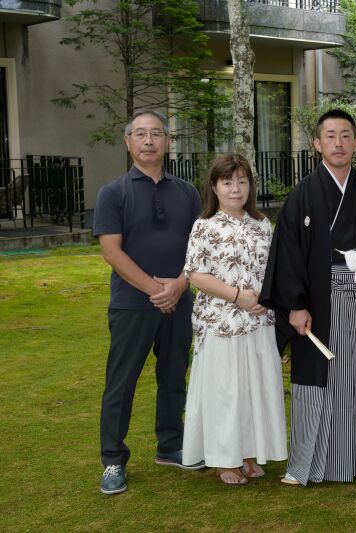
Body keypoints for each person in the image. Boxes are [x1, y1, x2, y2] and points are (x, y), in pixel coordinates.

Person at [260, 109, 356, 485]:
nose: (338, 143)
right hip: (320, 302)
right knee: (320, 378)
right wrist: (295, 305)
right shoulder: (302, 196)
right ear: (317, 143)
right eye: (330, 136)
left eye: (345, 135)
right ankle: (309, 464)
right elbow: (288, 253)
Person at [93, 109, 204, 495]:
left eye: (156, 133)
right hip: (131, 304)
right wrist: (156, 290)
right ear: (128, 142)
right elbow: (112, 251)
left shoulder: (187, 193)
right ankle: (112, 459)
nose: (148, 141)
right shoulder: (113, 193)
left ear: (168, 142)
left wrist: (179, 285)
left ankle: (170, 445)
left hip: (179, 300)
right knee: (121, 383)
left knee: (174, 376)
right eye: (140, 134)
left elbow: (200, 248)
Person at [182, 153, 287, 485]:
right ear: (214, 187)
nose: (235, 188)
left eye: (242, 181)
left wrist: (266, 299)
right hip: (221, 322)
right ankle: (225, 460)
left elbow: (274, 270)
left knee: (254, 390)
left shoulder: (262, 224)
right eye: (227, 182)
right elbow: (196, 275)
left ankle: (249, 454)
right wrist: (237, 295)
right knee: (226, 392)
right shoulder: (205, 226)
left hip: (258, 321)